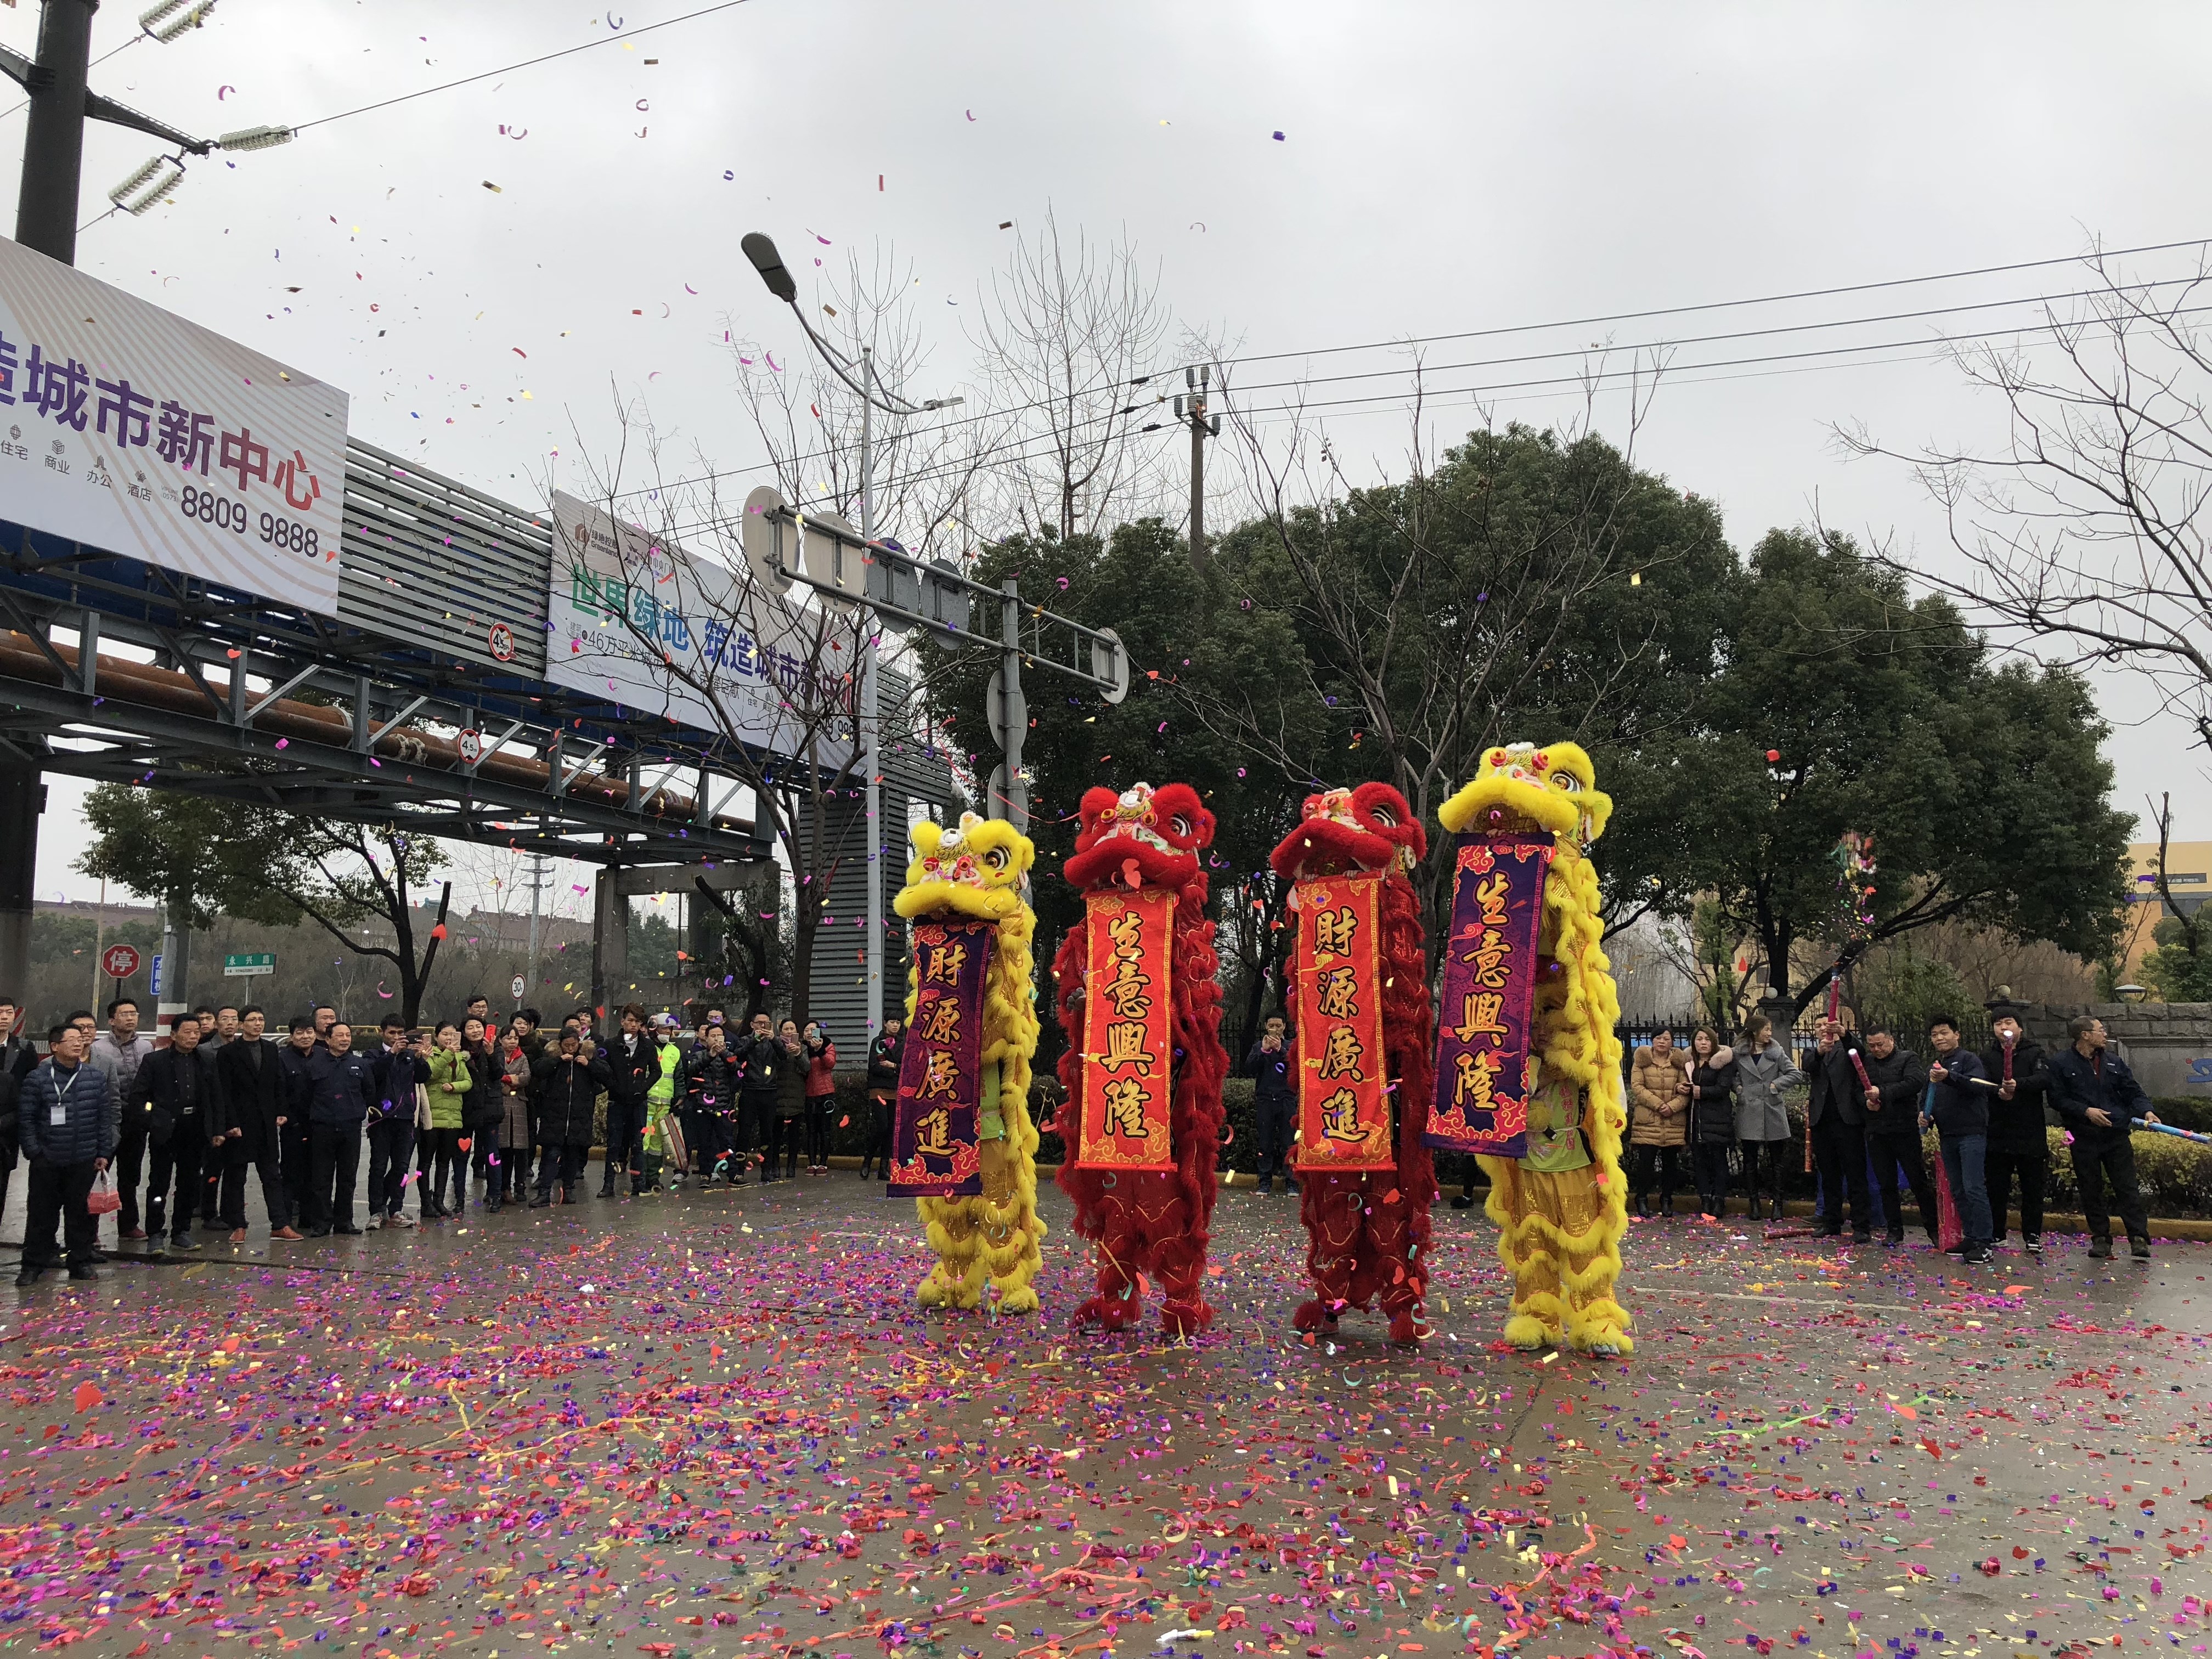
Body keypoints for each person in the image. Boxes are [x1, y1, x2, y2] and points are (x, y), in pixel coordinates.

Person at [2045, 1014, 2162, 1260]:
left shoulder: (2114, 1062)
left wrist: (2147, 1110)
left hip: (2116, 1134)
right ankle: (2101, 1239)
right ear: (2085, 1035)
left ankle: (2138, 1238)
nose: (2105, 1034)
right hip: (2082, 1136)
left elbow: (2132, 1091)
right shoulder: (2061, 1064)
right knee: (2090, 1188)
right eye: (2100, 1030)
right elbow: (2057, 1099)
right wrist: (2085, 1112)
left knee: (2127, 1187)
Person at [14, 1022, 117, 1285]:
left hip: (83, 1159)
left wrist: (103, 1152)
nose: (78, 1043)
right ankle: (33, 1265)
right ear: (54, 1046)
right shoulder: (37, 1078)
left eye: (80, 1039)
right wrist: (34, 1152)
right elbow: (26, 1119)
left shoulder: (94, 1078)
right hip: (47, 1160)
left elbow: (104, 1119)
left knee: (80, 1215)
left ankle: (80, 1262)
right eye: (70, 1039)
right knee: (41, 1215)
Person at [129, 1012, 223, 1252]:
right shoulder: (155, 1061)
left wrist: (217, 1129)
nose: (193, 1037)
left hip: (195, 1129)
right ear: (174, 1035)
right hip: (166, 1130)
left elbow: (216, 1097)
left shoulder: (206, 1059)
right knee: (159, 1184)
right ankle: (155, 1232)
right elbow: (141, 1097)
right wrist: (152, 1119)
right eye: (187, 1032)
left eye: (197, 1033)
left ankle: (181, 1231)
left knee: (189, 1183)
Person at [213, 1005, 297, 1242]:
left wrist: (281, 1111)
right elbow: (224, 1091)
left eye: (261, 1019)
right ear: (242, 1024)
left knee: (272, 1175)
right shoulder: (229, 1053)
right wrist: (230, 1122)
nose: (258, 1024)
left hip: (265, 1122)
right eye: (252, 1020)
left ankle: (280, 1224)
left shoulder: (271, 1049)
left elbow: (278, 1083)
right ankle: (237, 1224)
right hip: (240, 1122)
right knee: (236, 1176)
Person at [1923, 1016, 1993, 1262]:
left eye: (1944, 1033)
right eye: (1935, 1035)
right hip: (1948, 1135)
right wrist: (1925, 1117)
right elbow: (1929, 1100)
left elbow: (1977, 1086)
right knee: (1959, 1189)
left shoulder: (1969, 1060)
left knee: (1974, 1187)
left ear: (1957, 1035)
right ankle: (1971, 1237)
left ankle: (1985, 1243)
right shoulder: (1936, 1067)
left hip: (1971, 1133)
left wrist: (1949, 1078)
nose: (1940, 1038)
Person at [1979, 1013, 2050, 1254]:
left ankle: (2032, 1234)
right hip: (1998, 1131)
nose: (2003, 1028)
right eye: (1998, 1024)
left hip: (2029, 1131)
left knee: (2032, 1188)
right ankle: (1997, 1232)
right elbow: (1980, 1084)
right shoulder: (1988, 1056)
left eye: (2008, 1023)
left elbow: (2044, 1079)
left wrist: (2018, 1085)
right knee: (1997, 1187)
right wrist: (1998, 1091)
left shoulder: (2035, 1053)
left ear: (2020, 1027)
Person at [1861, 1025, 1937, 1246]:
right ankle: (1894, 1229)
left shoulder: (1908, 1058)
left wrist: (1882, 1094)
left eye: (1880, 1044)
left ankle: (1933, 1227)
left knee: (1918, 1181)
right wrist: (1866, 1102)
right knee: (1886, 1183)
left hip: (1904, 1129)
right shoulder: (1867, 1062)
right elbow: (1858, 1090)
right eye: (1872, 1046)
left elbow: (1913, 1083)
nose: (1876, 1049)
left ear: (1891, 1041)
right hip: (1877, 1131)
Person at [88, 996, 154, 1243]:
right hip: (108, 1118)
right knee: (98, 1172)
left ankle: (129, 1225)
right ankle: (90, 1230)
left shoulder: (146, 1047)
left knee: (131, 1176)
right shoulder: (98, 1049)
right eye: (125, 1014)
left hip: (136, 1119)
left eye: (134, 1013)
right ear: (112, 1020)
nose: (130, 1018)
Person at [1804, 1018, 1874, 1242]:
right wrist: (1819, 1052)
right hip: (1822, 1120)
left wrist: (1844, 1035)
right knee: (1829, 1176)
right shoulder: (1812, 1051)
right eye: (1819, 1026)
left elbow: (1861, 1053)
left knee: (1855, 1175)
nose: (1824, 1028)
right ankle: (1831, 1222)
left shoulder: (1847, 1048)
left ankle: (1861, 1225)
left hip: (1848, 1120)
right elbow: (1808, 1066)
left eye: (1828, 1024)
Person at [302, 1023, 374, 1236]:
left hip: (350, 1128)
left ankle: (345, 1222)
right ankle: (322, 1222)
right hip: (322, 1128)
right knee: (321, 1178)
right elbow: (304, 1096)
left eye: (348, 1035)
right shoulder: (314, 1065)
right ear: (328, 1039)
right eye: (340, 1035)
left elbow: (369, 1092)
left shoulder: (359, 1064)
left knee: (347, 1178)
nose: (345, 1039)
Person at [531, 1029, 610, 1205]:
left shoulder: (588, 1055)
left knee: (572, 1155)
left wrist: (589, 1064)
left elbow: (606, 1074)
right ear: (560, 1044)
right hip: (555, 1116)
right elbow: (538, 1070)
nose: (571, 1049)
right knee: (552, 1155)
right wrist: (558, 1061)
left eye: (574, 1045)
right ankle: (545, 1192)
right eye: (567, 1045)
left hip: (579, 1116)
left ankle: (568, 1190)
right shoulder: (552, 1056)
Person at [1733, 1015, 1798, 1222]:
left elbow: (1795, 1074)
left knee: (1776, 1162)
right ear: (1754, 1031)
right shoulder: (1738, 1053)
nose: (1770, 1033)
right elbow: (1730, 1076)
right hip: (1748, 1110)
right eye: (1766, 1030)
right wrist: (1738, 1088)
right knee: (1750, 1162)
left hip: (1772, 1109)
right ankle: (1754, 1204)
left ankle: (1777, 1204)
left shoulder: (1776, 1051)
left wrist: (1775, 1086)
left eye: (1771, 1029)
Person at [364, 1018, 424, 1229]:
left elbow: (424, 1077)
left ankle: (396, 1207)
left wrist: (420, 1058)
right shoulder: (373, 1055)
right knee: (378, 1166)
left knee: (402, 1166)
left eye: (400, 1033)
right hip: (382, 1117)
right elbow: (374, 1074)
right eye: (392, 1033)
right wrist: (392, 1054)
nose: (397, 1037)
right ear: (383, 1033)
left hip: (406, 1117)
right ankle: (376, 1210)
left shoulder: (409, 1057)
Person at [1628, 1029, 1689, 1217]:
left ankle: (1666, 1200)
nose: (1662, 1042)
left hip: (1673, 1121)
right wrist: (1659, 1105)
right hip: (1648, 1120)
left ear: (1672, 1042)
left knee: (1670, 1166)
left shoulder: (1679, 1064)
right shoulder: (1642, 1062)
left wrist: (1672, 1106)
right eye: (1658, 1038)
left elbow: (1686, 1089)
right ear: (1652, 1041)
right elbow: (1637, 1087)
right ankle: (1642, 1199)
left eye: (1667, 1039)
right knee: (1646, 1164)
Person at [1681, 1028, 1738, 1220]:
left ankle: (1719, 1199)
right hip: (1695, 1121)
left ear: (1713, 1042)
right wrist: (1682, 1088)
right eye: (1699, 1039)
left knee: (1719, 1162)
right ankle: (1705, 1198)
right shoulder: (1688, 1063)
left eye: (1707, 1039)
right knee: (1700, 1163)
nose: (1703, 1043)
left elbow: (1722, 1089)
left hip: (1718, 1120)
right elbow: (1683, 1083)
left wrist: (1699, 1092)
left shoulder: (1723, 1063)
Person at [602, 1005, 657, 1198]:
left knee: (638, 1144)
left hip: (639, 1102)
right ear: (623, 1021)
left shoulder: (648, 1046)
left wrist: (643, 1087)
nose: (633, 1025)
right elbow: (604, 1070)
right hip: (617, 1101)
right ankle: (608, 1184)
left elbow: (656, 1071)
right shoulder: (611, 1045)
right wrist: (614, 1086)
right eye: (630, 1021)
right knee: (614, 1145)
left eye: (637, 1022)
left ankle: (639, 1183)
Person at [422, 1021, 473, 1218]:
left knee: (444, 1163)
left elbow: (467, 1082)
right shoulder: (431, 1054)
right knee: (426, 1162)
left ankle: (440, 1201)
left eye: (452, 1034)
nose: (449, 1038)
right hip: (433, 1117)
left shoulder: (460, 1058)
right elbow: (431, 1074)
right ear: (437, 1037)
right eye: (445, 1034)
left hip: (454, 1117)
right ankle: (426, 1202)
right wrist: (447, 1054)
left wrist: (454, 1086)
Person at [1244, 1014, 1297, 1197]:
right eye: (1271, 1025)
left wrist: (1280, 1049)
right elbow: (1249, 1069)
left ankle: (1292, 1184)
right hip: (1266, 1099)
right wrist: (1264, 1051)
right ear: (1266, 1027)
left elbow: (1296, 1066)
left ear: (1284, 1027)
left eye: (1278, 1025)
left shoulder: (1291, 1047)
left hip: (1286, 1099)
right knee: (1265, 1143)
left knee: (1288, 1143)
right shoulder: (1259, 1047)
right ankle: (1264, 1183)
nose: (1275, 1028)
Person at [275, 1016, 319, 1228]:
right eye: (300, 1033)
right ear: (292, 1036)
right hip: (292, 1124)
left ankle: (310, 1217)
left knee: (316, 1172)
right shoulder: (282, 1058)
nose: (305, 1036)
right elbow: (278, 1091)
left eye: (309, 1032)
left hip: (319, 1123)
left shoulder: (323, 1055)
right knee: (291, 1172)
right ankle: (284, 1219)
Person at [0, 996, 35, 1245]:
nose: (4, 1017)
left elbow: (31, 1085)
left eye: (8, 1012)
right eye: (0, 1012)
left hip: (8, 1128)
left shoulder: (23, 1047)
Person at [461, 1015, 505, 1212]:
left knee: (492, 1155)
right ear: (464, 1032)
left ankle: (495, 1195)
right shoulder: (459, 1050)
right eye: (470, 1027)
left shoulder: (495, 1049)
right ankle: (459, 1199)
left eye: (479, 1026)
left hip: (490, 1108)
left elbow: (498, 1074)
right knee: (461, 1155)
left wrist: (490, 1053)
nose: (475, 1031)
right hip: (467, 1109)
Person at [734, 1011, 781, 1184]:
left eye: (766, 1023)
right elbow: (738, 1055)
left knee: (767, 1134)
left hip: (769, 1091)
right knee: (744, 1132)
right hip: (750, 1091)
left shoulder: (774, 1042)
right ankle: (739, 1170)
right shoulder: (746, 1040)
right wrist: (756, 1039)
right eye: (759, 1023)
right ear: (753, 1024)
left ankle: (766, 1169)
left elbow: (783, 1056)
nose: (762, 1026)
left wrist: (774, 1039)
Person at [860, 1018, 904, 1182]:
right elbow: (875, 1066)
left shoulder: (903, 1043)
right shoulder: (877, 1042)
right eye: (892, 1022)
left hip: (895, 1089)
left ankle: (884, 1167)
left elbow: (903, 1066)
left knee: (891, 1129)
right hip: (878, 1089)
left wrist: (892, 1066)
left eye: (898, 1022)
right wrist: (893, 1070)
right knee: (882, 1125)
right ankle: (868, 1160)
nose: (895, 1025)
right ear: (885, 1023)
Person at [495, 1026, 534, 1205]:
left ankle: (520, 1187)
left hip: (519, 1104)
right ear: (501, 1040)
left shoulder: (522, 1057)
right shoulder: (497, 1056)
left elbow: (526, 1077)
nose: (513, 1041)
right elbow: (496, 1076)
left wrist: (509, 1079)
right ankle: (503, 1188)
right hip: (502, 1104)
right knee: (504, 1149)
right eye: (509, 1038)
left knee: (520, 1149)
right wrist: (510, 1080)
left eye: (515, 1038)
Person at [773, 1017, 808, 1181]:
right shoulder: (775, 1045)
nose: (789, 1032)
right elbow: (771, 1067)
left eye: (792, 1029)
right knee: (776, 1135)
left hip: (796, 1096)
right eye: (786, 1029)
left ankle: (791, 1166)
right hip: (777, 1096)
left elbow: (807, 1068)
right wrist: (784, 1053)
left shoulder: (803, 1048)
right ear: (781, 1032)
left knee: (795, 1135)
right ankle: (774, 1166)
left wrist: (798, 1054)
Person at [802, 1020, 837, 1175]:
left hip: (826, 1092)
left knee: (825, 1130)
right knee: (811, 1130)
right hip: (808, 1092)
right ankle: (812, 1163)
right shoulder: (801, 1048)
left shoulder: (827, 1044)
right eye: (807, 1030)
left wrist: (820, 1049)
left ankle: (823, 1163)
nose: (810, 1032)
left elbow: (830, 1064)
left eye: (813, 1030)